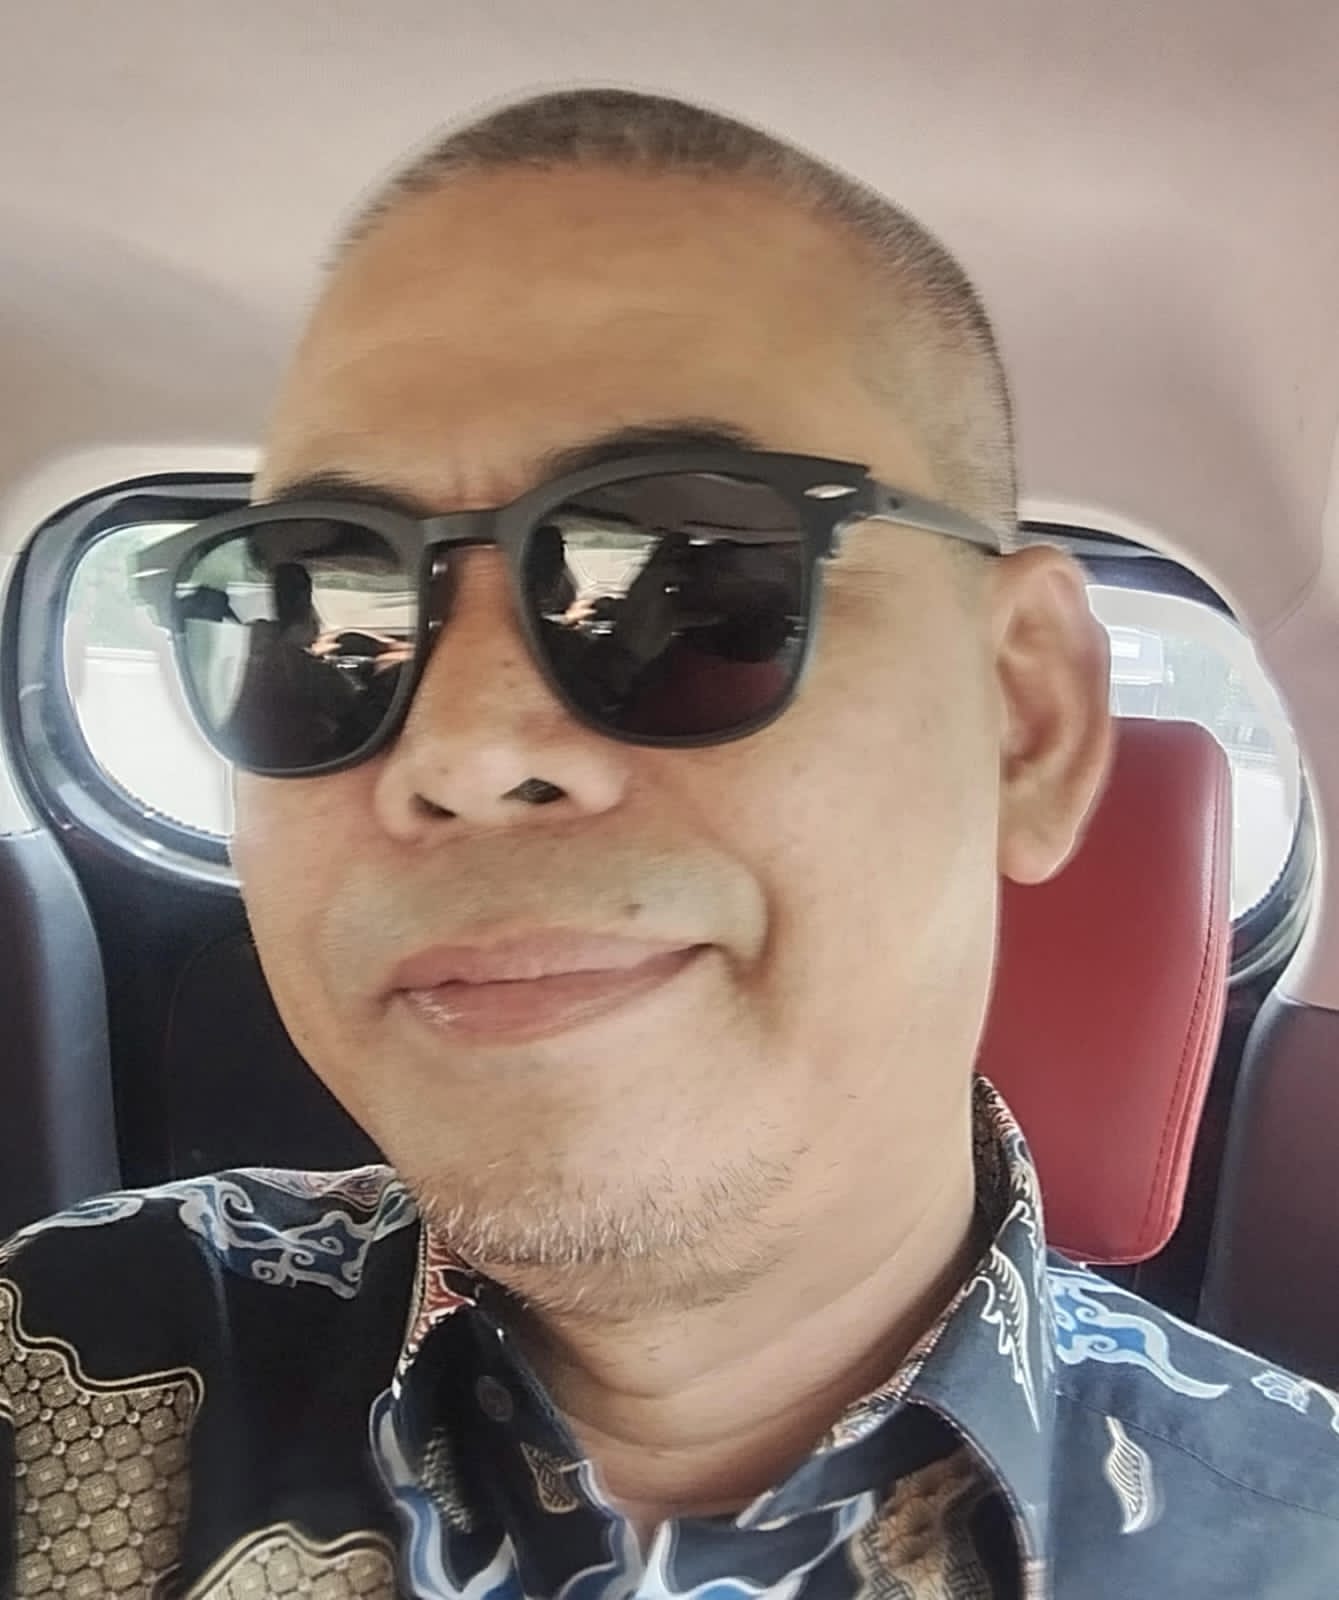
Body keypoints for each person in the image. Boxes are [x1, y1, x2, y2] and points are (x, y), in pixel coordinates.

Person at [2, 90, 1335, 1600]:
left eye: (692, 587)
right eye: (318, 612)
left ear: (1024, 722)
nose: (462, 752)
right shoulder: (57, 1358)